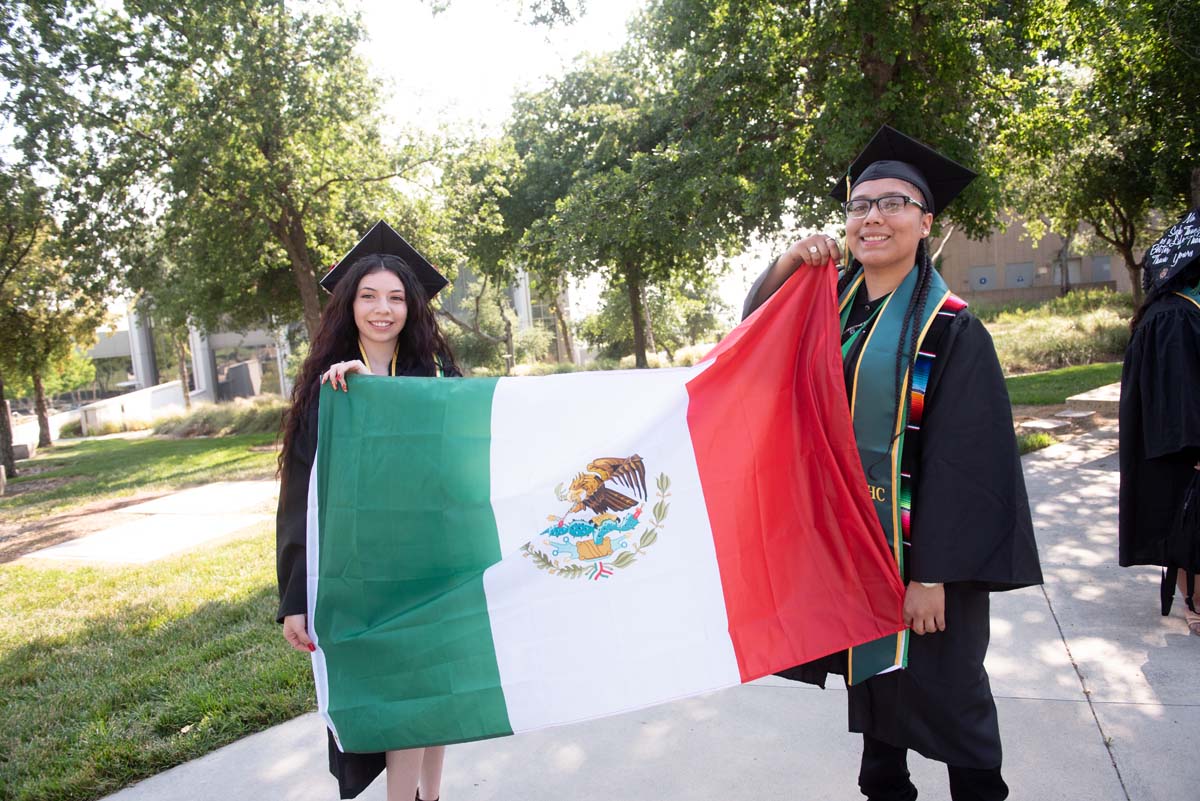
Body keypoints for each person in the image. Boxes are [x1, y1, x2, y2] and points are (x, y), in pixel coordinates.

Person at [743, 126, 1043, 801]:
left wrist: (932, 574)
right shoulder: (830, 306)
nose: (872, 216)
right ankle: (884, 787)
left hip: (928, 563)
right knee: (877, 696)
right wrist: (789, 264)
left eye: (894, 203)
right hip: (855, 553)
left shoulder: (952, 327)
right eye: (859, 205)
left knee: (952, 696)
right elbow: (753, 342)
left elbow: (966, 460)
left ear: (926, 221)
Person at [276, 220, 461, 801]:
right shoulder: (328, 393)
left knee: (435, 698)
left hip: (435, 564)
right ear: (348, 306)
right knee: (400, 703)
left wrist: (388, 395)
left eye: (396, 298)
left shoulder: (437, 379)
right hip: (365, 576)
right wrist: (294, 600)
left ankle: (432, 796)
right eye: (369, 296)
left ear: (413, 308)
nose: (384, 309)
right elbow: (298, 503)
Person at [1119, 208, 1200, 635]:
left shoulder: (1174, 310)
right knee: (1188, 519)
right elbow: (1179, 395)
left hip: (1181, 445)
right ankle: (1196, 601)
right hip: (1184, 450)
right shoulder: (1175, 315)